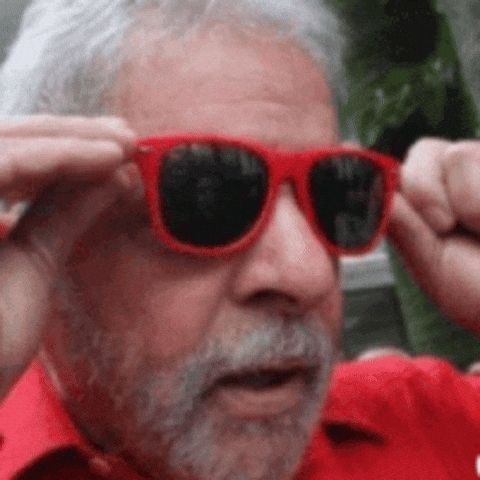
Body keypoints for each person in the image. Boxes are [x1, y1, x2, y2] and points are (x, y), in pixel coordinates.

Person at [1, 1, 480, 479]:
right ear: (31, 230)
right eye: (207, 195)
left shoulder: (427, 423)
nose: (308, 273)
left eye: (335, 191)